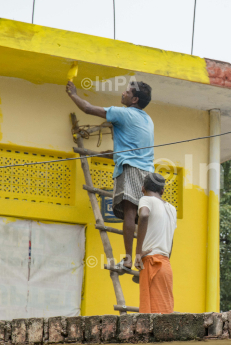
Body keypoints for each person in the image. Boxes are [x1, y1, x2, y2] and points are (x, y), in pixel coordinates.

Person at [66, 80, 154, 271]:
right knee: (143, 214)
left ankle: (129, 259)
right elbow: (131, 145)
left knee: (130, 213)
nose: (123, 93)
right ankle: (139, 258)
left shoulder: (123, 113)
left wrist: (73, 94)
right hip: (148, 173)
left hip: (130, 168)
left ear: (134, 99)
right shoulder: (148, 120)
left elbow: (88, 108)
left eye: (127, 92)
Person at [133, 173, 177, 314]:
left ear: (142, 188)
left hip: (151, 263)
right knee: (163, 312)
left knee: (149, 317)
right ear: (162, 191)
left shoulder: (146, 199)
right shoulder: (172, 209)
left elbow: (144, 215)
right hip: (165, 264)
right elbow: (171, 240)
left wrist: (138, 252)